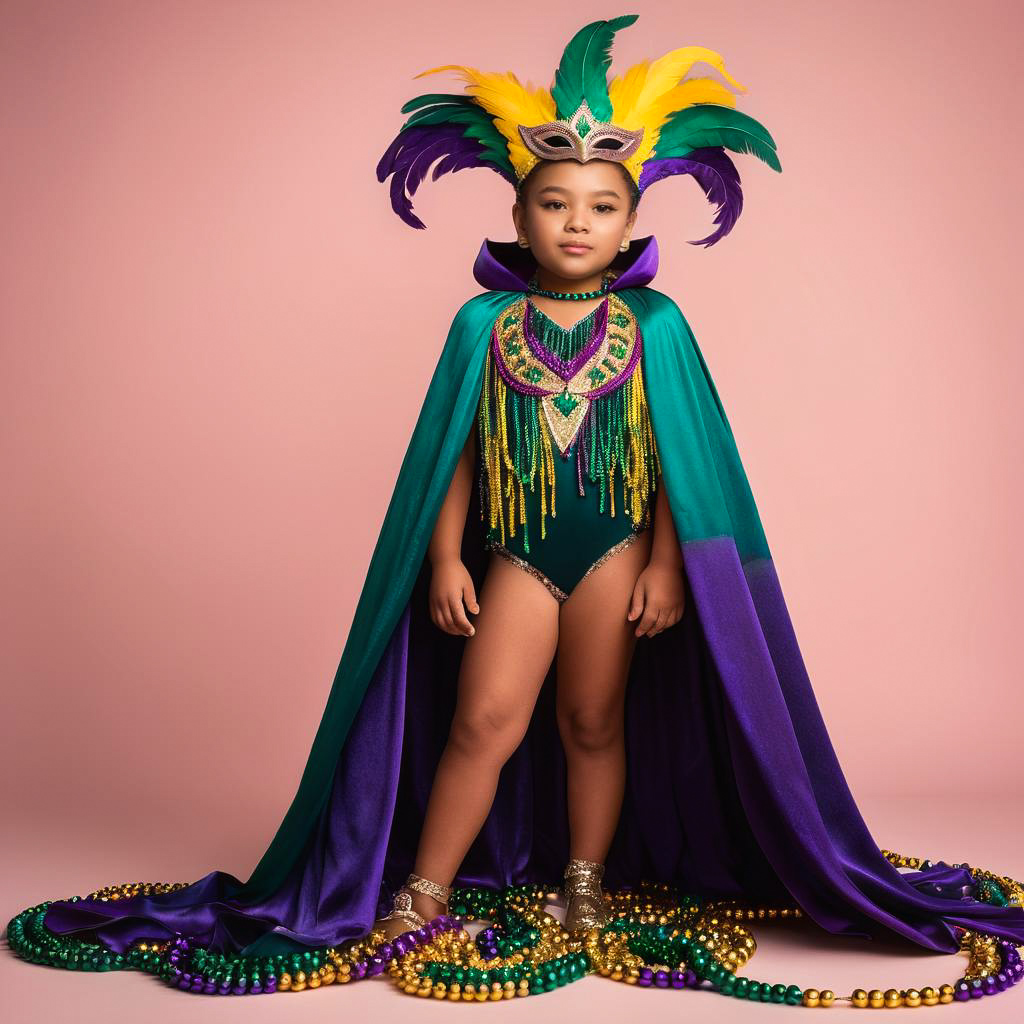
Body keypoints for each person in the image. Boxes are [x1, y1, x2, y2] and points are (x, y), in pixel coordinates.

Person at [8, 13, 1024, 1007]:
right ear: (518, 213)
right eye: (554, 202)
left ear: (632, 221)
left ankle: (584, 886)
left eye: (600, 206)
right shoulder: (481, 324)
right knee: (481, 719)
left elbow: (685, 465)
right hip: (521, 557)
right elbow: (450, 457)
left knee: (593, 720)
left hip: (619, 552)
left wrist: (670, 564)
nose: (576, 222)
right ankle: (424, 891)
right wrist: (446, 556)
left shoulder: (657, 327)